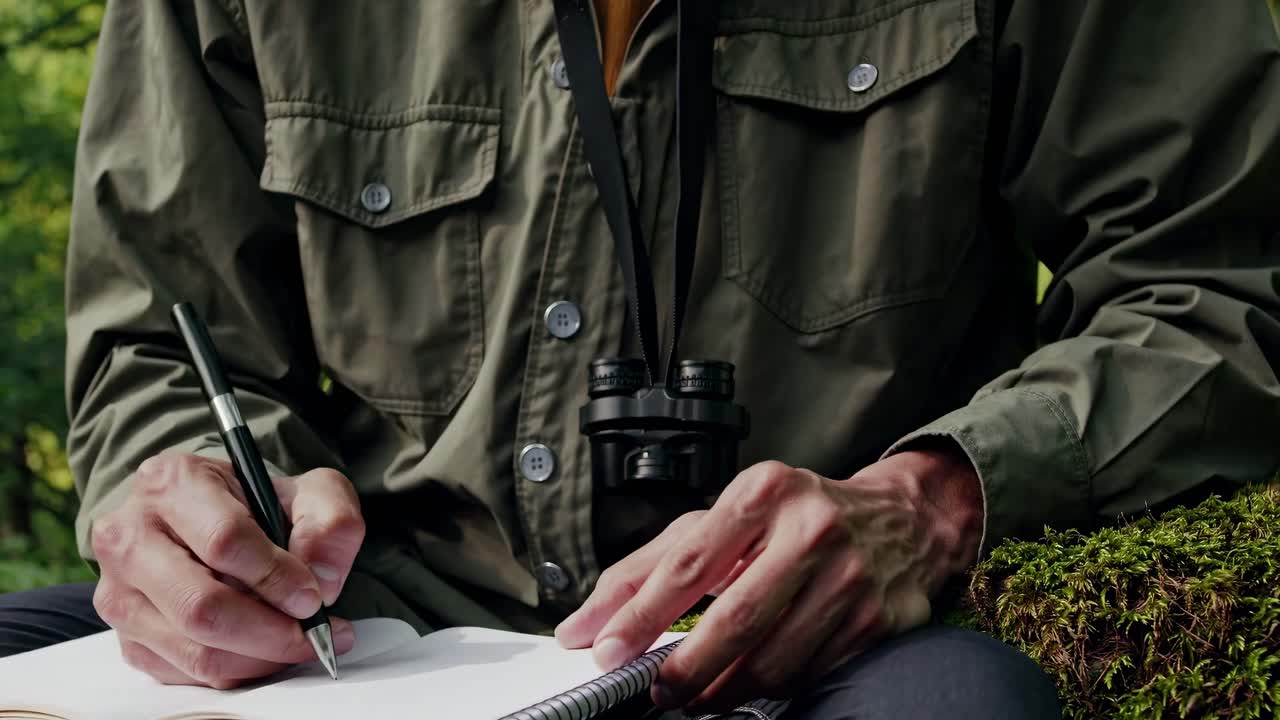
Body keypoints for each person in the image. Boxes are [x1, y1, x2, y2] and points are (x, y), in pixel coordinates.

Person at [2, 0, 1278, 717]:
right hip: (368, 632)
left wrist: (934, 496)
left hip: (817, 642)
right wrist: (195, 517)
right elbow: (158, 339)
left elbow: (1215, 288)